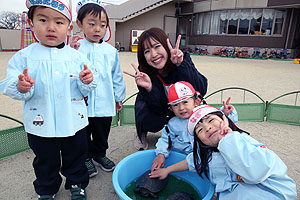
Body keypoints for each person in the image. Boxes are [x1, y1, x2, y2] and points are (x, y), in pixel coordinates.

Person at [0, 0, 98, 199]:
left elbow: (88, 84)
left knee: (76, 157)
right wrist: (20, 86)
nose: (51, 27)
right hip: (40, 124)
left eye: (59, 22)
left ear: (69, 28)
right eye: (43, 20)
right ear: (31, 23)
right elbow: (10, 82)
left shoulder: (76, 57)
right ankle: (46, 188)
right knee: (45, 160)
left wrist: (88, 80)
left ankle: (77, 183)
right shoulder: (24, 57)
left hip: (74, 122)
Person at [149, 105, 297, 200]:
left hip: (272, 193)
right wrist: (167, 170)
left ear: (224, 120)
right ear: (200, 141)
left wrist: (227, 139)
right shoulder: (207, 153)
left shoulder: (242, 141)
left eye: (211, 120)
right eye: (200, 130)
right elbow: (191, 161)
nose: (207, 127)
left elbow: (254, 173)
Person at [124, 27, 208, 150]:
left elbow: (201, 89)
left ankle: (187, 131)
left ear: (165, 45)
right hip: (160, 108)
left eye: (157, 46)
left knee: (195, 109)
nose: (154, 54)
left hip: (179, 104)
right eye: (147, 51)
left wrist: (181, 64)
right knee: (151, 121)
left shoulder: (182, 58)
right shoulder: (143, 73)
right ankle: (141, 132)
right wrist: (150, 88)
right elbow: (158, 108)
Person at [71, 0, 126, 177]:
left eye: (102, 25)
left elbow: (116, 76)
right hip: (82, 103)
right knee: (83, 133)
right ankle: (85, 157)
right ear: (80, 24)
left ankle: (99, 155)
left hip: (105, 101)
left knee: (102, 132)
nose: (97, 29)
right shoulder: (75, 48)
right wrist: (69, 51)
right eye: (92, 24)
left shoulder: (111, 51)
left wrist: (119, 97)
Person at [151, 81, 238, 172]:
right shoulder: (172, 124)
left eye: (185, 102)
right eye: (176, 105)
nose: (181, 108)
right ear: (171, 109)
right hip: (182, 158)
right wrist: (161, 154)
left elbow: (223, 124)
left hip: (203, 156)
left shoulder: (204, 115)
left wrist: (227, 114)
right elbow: (165, 140)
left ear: (196, 102)